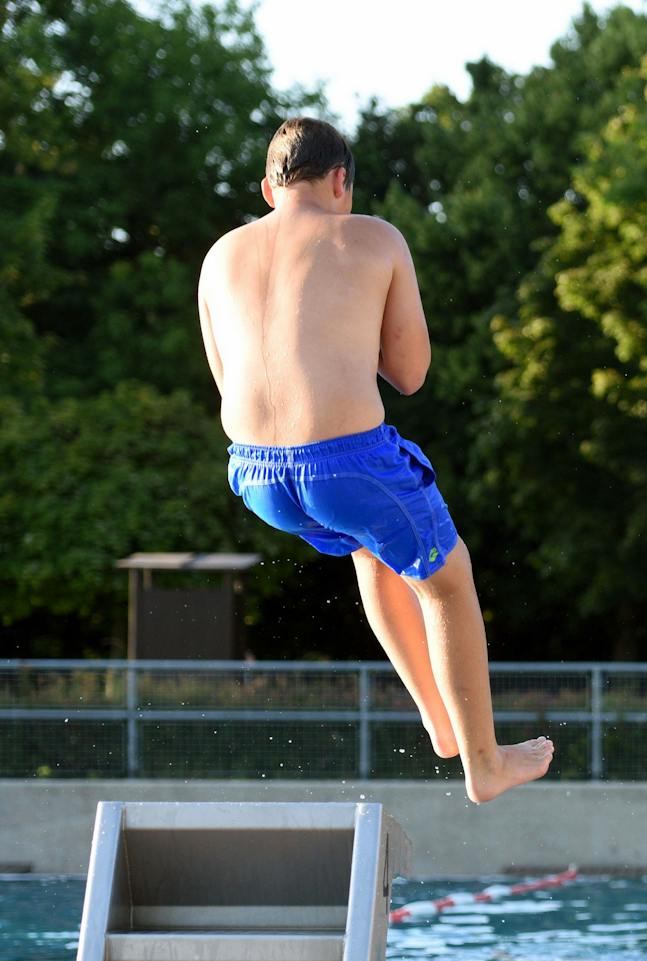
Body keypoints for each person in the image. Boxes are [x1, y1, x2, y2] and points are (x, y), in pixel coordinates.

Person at [198, 119, 553, 803]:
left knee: (372, 553)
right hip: (346, 462)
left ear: (269, 188)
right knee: (449, 578)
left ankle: (438, 721)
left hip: (254, 472)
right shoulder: (371, 235)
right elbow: (412, 372)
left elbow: (226, 374)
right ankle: (484, 762)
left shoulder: (220, 255)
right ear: (340, 182)